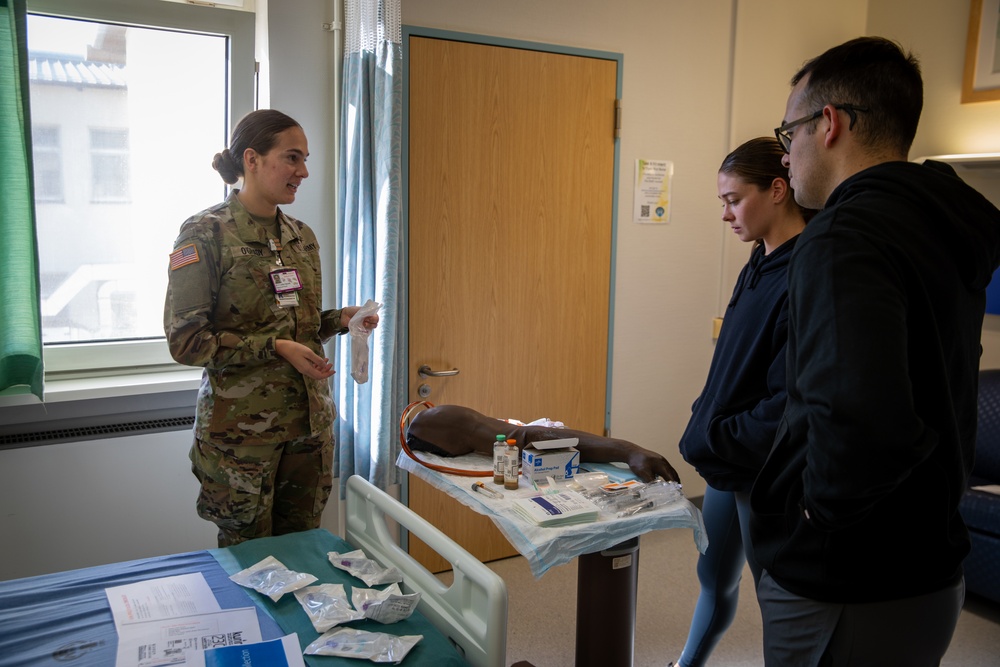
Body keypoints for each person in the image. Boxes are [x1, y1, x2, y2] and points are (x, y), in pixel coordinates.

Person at [749, 36, 1000, 666]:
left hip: (846, 575)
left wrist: (812, 513)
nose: (785, 155)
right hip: (929, 560)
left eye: (789, 133)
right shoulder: (944, 221)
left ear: (828, 124)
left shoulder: (842, 235)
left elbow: (862, 417)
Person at [164, 109, 378, 547]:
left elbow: (297, 327)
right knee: (249, 564)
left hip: (308, 429)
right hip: (243, 440)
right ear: (252, 159)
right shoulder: (204, 235)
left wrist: (338, 320)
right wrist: (274, 347)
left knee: (303, 553)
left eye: (305, 159)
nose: (303, 172)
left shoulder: (301, 236)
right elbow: (186, 342)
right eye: (292, 158)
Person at [672, 137, 812, 667]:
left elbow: (787, 404)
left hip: (765, 472)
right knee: (714, 575)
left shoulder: (806, 274)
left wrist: (713, 433)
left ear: (778, 189)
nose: (726, 214)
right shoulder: (758, 260)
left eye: (733, 200)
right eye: (722, 203)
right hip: (727, 463)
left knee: (777, 593)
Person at [405, 403, 680, 483]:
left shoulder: (447, 422)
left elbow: (527, 437)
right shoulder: (444, 423)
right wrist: (627, 450)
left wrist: (629, 450)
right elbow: (526, 438)